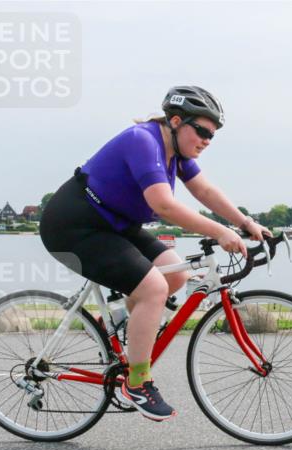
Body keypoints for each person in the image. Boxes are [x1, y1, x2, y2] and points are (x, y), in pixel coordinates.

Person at [40, 86, 270, 422]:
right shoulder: (143, 141)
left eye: (213, 135)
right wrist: (220, 231)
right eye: (203, 131)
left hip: (116, 224)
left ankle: (116, 327)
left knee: (175, 274)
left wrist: (246, 223)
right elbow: (163, 205)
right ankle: (137, 382)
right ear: (176, 121)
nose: (207, 140)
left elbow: (204, 190)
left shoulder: (177, 153)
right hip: (75, 225)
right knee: (153, 289)